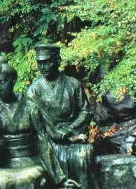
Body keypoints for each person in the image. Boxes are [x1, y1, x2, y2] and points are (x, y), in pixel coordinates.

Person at [0, 56, 79, 188]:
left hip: (32, 161)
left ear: (13, 80)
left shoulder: (30, 107)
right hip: (6, 164)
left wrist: (60, 178)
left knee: (32, 179)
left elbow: (43, 142)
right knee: (1, 181)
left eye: (3, 82)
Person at [26, 44, 95, 188]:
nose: (43, 67)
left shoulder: (73, 84)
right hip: (47, 138)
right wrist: (53, 134)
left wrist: (70, 129)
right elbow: (36, 125)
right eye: (40, 63)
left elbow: (86, 111)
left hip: (71, 135)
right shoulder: (33, 91)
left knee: (82, 156)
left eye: (47, 62)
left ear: (58, 60)